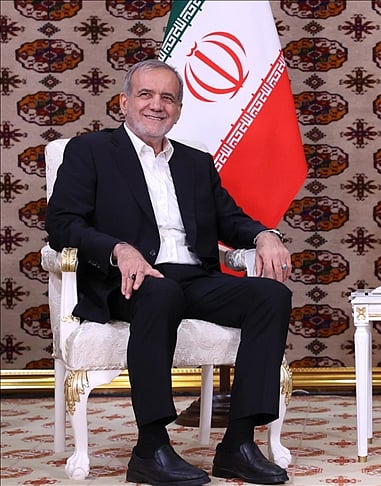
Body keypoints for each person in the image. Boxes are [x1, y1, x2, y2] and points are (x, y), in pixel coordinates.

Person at [46, 59, 294, 486]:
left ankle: (237, 445)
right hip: (128, 280)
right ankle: (151, 448)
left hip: (193, 277)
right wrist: (118, 249)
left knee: (271, 296)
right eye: (145, 94)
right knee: (161, 294)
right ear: (123, 102)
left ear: (178, 109)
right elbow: (62, 223)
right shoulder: (90, 151)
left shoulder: (195, 162)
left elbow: (230, 219)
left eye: (168, 98)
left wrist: (265, 235)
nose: (156, 105)